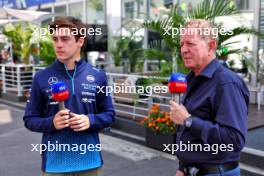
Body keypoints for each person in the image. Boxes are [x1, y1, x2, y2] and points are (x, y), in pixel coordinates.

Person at [23, 16, 115, 176]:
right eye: (55, 39)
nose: (58, 44)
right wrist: (51, 122)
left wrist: (90, 120)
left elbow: (109, 115)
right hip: (54, 166)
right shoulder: (41, 77)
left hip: (90, 164)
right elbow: (29, 119)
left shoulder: (99, 75)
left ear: (80, 41)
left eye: (65, 39)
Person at [170, 19, 249, 176]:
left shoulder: (226, 83)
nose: (183, 50)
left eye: (190, 44)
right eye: (182, 44)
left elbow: (234, 140)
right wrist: (183, 167)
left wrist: (188, 120)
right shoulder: (191, 79)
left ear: (211, 46)